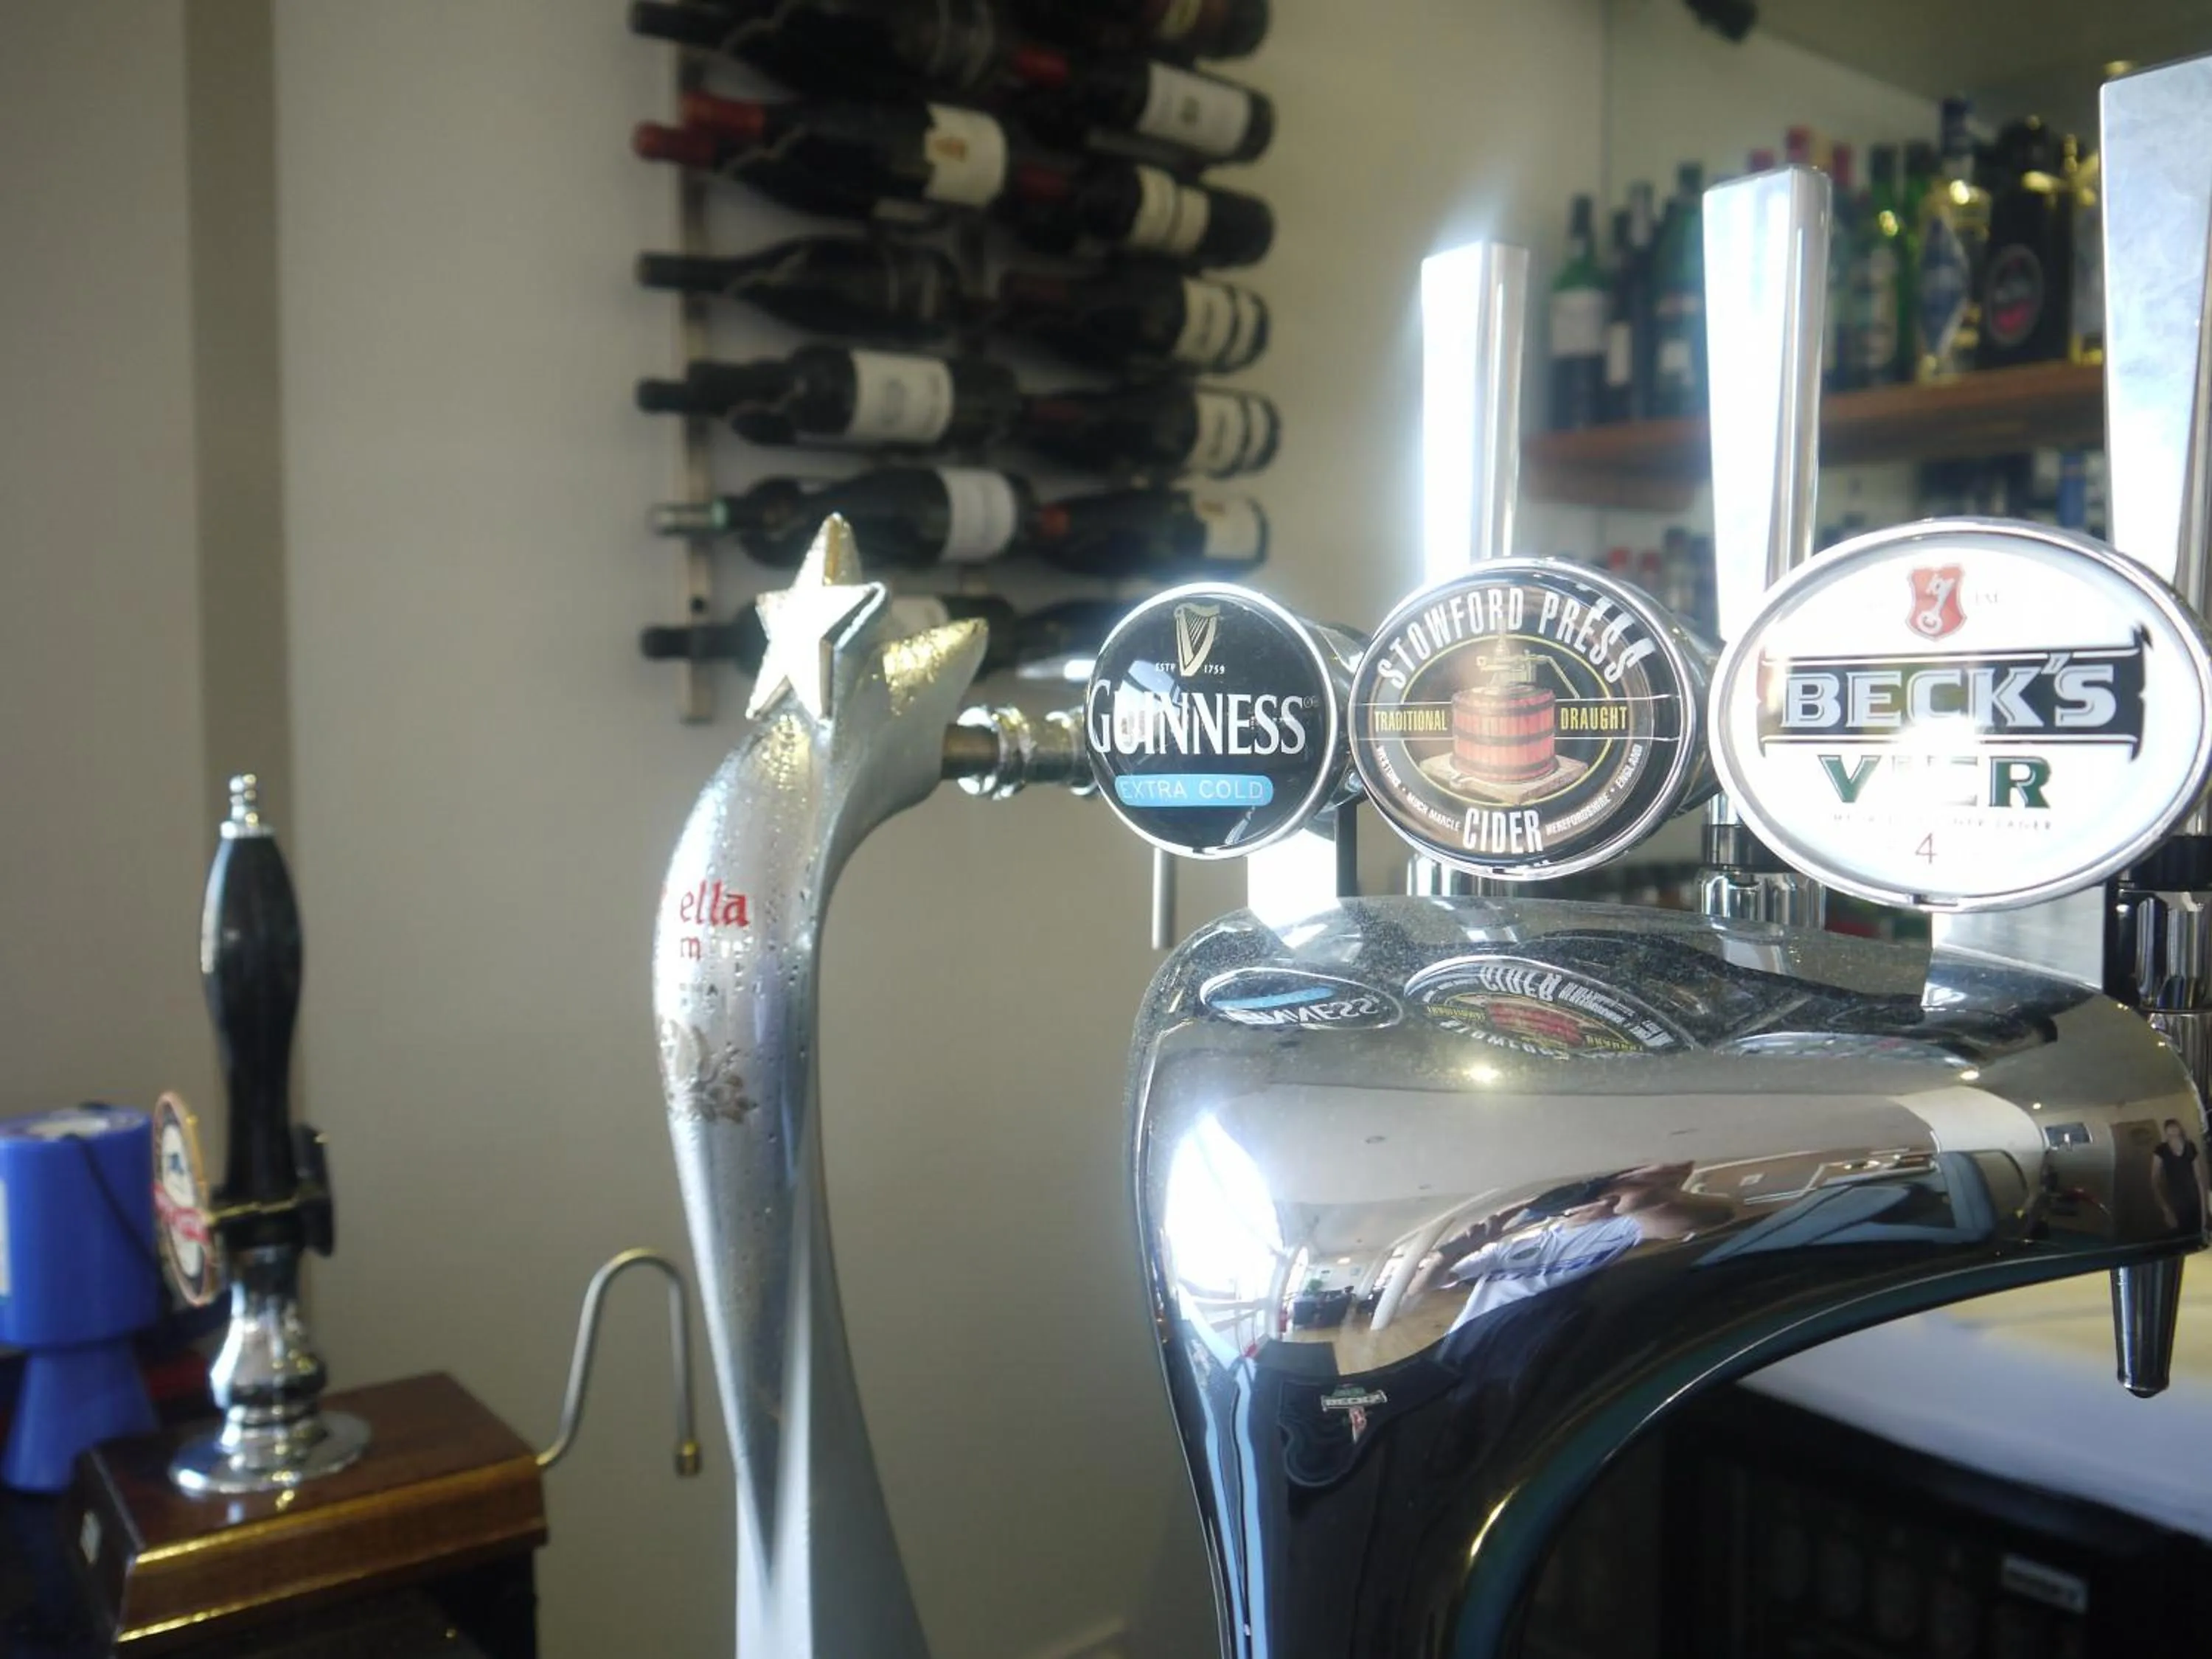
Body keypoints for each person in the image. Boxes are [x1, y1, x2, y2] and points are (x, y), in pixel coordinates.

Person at [2152, 1118, 2205, 1236]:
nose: (2173, 1131)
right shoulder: (2161, 1150)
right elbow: (2154, 1181)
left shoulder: (2190, 1147)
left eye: (2175, 1127)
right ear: (2166, 1132)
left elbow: (2199, 1178)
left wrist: (2204, 1211)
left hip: (2193, 1201)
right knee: (2179, 1237)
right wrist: (2166, 1210)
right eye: (2169, 1129)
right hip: (2174, 1203)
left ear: (2180, 1129)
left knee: (2196, 1236)